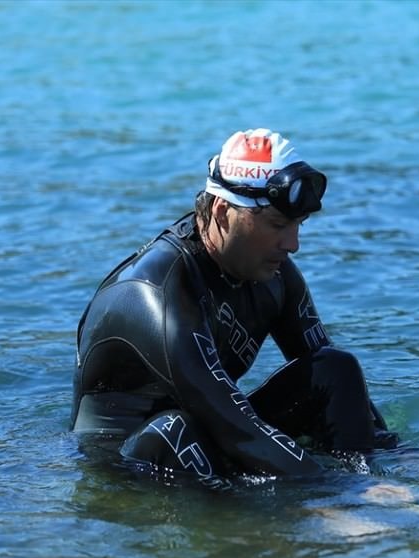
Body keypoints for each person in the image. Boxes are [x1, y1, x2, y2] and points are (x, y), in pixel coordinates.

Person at [71, 128, 395, 488]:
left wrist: (399, 466)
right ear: (223, 212)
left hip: (216, 437)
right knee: (175, 430)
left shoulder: (273, 274)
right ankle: (339, 504)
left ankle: (373, 485)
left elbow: (341, 395)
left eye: (298, 226)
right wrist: (332, 491)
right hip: (130, 465)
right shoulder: (158, 290)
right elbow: (228, 419)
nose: (293, 244)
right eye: (277, 225)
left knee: (336, 368)